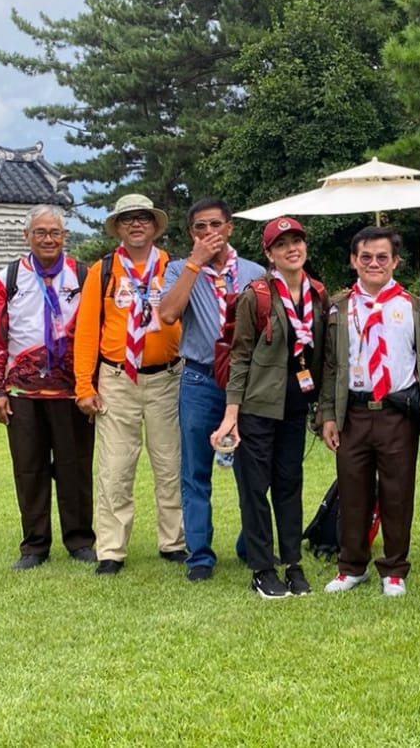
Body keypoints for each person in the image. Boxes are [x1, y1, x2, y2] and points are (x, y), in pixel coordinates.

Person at [211, 217, 328, 599]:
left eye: (297, 241)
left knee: (290, 486)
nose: (292, 249)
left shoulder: (317, 294)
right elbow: (240, 356)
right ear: (269, 254)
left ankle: (292, 563)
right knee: (254, 490)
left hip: (295, 408)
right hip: (256, 408)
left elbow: (324, 356)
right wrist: (231, 414)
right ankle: (262, 568)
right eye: (282, 244)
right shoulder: (257, 295)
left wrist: (322, 407)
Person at [317, 227, 420, 597]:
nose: (374, 263)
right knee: (353, 491)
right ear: (354, 260)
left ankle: (394, 569)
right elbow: (329, 365)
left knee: (398, 492)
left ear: (395, 261)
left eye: (382, 257)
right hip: (353, 411)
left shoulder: (411, 306)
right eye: (365, 257)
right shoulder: (339, 307)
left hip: (396, 411)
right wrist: (328, 415)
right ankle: (352, 566)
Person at [73, 194, 185, 575]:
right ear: (118, 227)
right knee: (115, 467)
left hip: (167, 377)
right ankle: (111, 549)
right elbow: (86, 331)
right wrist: (84, 386)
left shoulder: (173, 267)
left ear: (155, 226)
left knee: (170, 464)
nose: (136, 224)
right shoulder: (102, 271)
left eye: (143, 218)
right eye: (127, 219)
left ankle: (174, 541)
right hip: (118, 379)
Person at [159, 198, 265, 582]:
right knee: (195, 470)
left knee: (252, 469)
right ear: (191, 233)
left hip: (246, 381)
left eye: (215, 225)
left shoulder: (254, 272)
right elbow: (168, 314)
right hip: (200, 378)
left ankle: (250, 544)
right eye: (200, 227)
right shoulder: (178, 269)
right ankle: (200, 555)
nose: (209, 233)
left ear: (230, 227)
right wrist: (195, 262)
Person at [0, 205, 96, 570]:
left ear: (65, 236)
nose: (48, 239)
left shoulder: (83, 275)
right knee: (29, 470)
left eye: (55, 232)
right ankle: (34, 545)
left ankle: (80, 539)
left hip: (72, 393)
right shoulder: (9, 277)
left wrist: (92, 386)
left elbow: (95, 332)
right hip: (22, 393)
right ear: (27, 236)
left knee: (75, 468)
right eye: (40, 232)